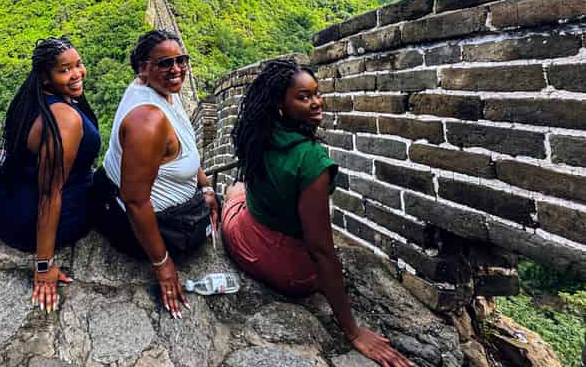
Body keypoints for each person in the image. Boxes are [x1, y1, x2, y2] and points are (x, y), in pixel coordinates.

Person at [221, 58, 410, 367]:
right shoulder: (312, 161)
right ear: (280, 105)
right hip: (290, 273)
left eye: (316, 93)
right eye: (303, 97)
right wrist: (353, 332)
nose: (316, 103)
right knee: (238, 192)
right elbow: (321, 250)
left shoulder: (259, 135)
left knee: (234, 190)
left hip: (242, 238)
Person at [94, 29, 218, 320]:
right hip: (137, 221)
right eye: (165, 63)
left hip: (134, 200)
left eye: (181, 60)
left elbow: (187, 148)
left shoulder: (160, 91)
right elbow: (136, 202)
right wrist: (163, 266)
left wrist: (206, 189)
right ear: (143, 68)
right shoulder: (147, 121)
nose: (176, 69)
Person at [0, 37, 100, 313]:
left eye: (79, 64)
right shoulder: (65, 119)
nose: (77, 74)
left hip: (7, 201)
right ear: (45, 77)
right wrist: (43, 266)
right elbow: (50, 193)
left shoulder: (34, 101)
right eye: (65, 70)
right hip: (32, 221)